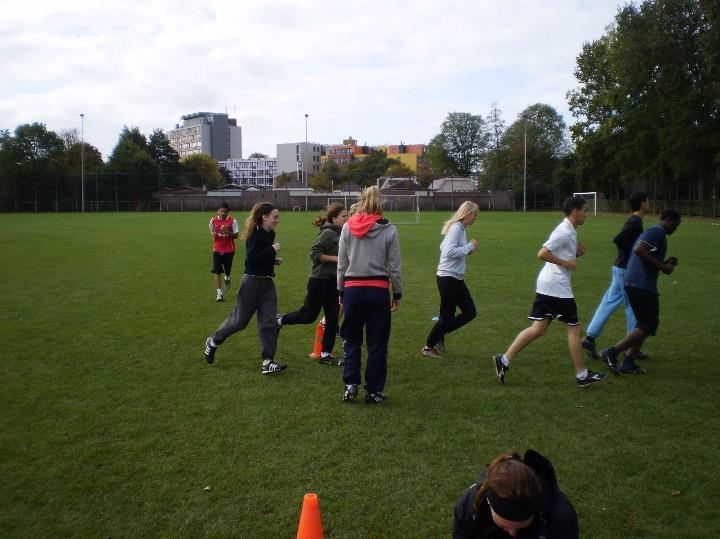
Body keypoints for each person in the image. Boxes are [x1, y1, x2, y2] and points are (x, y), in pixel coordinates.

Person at [491, 195, 606, 387]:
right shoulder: (564, 231)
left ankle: (503, 360)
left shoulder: (570, 230)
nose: (587, 214)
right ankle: (582, 375)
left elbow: (557, 252)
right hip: (557, 287)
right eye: (585, 210)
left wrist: (574, 254)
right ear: (575, 212)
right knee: (575, 329)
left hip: (547, 285)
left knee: (538, 329)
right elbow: (542, 253)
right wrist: (567, 262)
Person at [203, 202, 287, 375]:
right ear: (264, 216)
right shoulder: (255, 235)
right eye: (275, 217)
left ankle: (267, 361)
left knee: (268, 322)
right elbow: (251, 261)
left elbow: (262, 258)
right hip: (252, 283)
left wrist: (273, 260)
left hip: (267, 284)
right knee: (239, 322)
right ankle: (213, 342)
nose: (277, 220)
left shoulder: (270, 233)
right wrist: (272, 250)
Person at [338, 185, 402, 404]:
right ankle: (373, 391)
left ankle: (350, 384)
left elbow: (342, 264)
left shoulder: (347, 227)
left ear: (362, 201)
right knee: (377, 343)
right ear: (380, 202)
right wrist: (398, 293)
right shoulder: (389, 229)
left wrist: (340, 290)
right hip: (377, 291)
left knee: (352, 339)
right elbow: (395, 267)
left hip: (353, 290)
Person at [600, 209, 681, 375]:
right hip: (640, 285)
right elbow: (639, 249)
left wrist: (664, 262)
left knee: (643, 324)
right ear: (668, 220)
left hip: (635, 283)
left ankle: (629, 362)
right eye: (676, 224)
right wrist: (663, 267)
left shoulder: (655, 233)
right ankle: (612, 352)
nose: (676, 228)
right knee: (648, 325)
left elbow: (645, 256)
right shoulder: (656, 232)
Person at [277, 203, 348, 366]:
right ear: (334, 218)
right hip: (319, 280)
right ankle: (279, 321)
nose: (347, 218)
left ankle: (326, 354)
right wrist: (335, 259)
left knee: (332, 318)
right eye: (344, 216)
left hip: (333, 282)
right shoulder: (329, 233)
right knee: (308, 315)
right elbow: (314, 254)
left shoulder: (342, 232)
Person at [582, 192, 650, 359]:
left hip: (620, 267)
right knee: (633, 307)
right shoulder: (635, 222)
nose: (649, 203)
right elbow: (619, 239)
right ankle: (632, 348)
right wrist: (632, 254)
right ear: (642, 204)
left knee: (609, 301)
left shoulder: (635, 221)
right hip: (626, 270)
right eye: (648, 201)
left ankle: (590, 338)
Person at [452, 450, 579, 538]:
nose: (512, 533)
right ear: (489, 503)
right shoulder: (467, 508)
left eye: (522, 526)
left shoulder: (561, 517)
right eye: (504, 526)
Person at [421, 201, 479, 358]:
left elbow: (443, 247)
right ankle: (428, 347)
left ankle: (440, 332)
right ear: (467, 213)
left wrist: (466, 249)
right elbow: (448, 252)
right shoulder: (456, 229)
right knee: (447, 317)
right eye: (475, 214)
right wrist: (469, 247)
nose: (476, 218)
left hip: (455, 278)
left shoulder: (460, 228)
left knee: (470, 312)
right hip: (448, 278)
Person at [209, 203, 239, 302]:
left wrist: (227, 231)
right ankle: (219, 293)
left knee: (227, 269)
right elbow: (211, 230)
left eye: (225, 211)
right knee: (217, 271)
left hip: (229, 250)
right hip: (217, 249)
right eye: (221, 211)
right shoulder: (213, 220)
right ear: (218, 211)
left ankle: (227, 277)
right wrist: (213, 234)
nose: (223, 213)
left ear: (228, 212)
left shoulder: (232, 221)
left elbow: (236, 236)